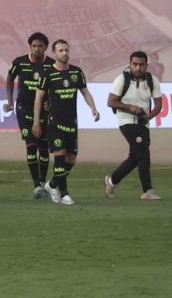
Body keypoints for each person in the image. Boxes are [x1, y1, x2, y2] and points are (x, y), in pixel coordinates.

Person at [34, 38, 99, 205]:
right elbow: (39, 97)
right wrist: (36, 122)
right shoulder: (47, 73)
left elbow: (85, 92)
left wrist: (93, 108)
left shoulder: (76, 72)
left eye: (66, 50)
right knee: (60, 157)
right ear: (54, 53)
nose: (64, 53)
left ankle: (52, 184)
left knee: (71, 159)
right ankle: (64, 194)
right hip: (54, 123)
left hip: (72, 123)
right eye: (61, 50)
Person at [105, 50, 162, 201]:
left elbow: (158, 105)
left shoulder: (152, 80)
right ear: (129, 64)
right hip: (126, 120)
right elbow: (111, 102)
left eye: (141, 65)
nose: (138, 68)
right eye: (135, 64)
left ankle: (112, 181)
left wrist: (147, 117)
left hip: (143, 122)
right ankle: (147, 191)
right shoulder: (121, 79)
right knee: (143, 154)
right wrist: (130, 107)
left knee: (136, 156)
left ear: (146, 65)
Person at [6, 30, 56, 197]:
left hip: (44, 111)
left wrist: (51, 100)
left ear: (46, 48)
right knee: (31, 146)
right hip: (24, 110)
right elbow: (9, 79)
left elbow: (55, 87)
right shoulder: (20, 62)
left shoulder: (51, 64)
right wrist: (10, 101)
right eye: (34, 46)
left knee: (43, 149)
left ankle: (42, 182)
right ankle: (36, 185)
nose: (36, 49)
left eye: (40, 46)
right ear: (29, 46)